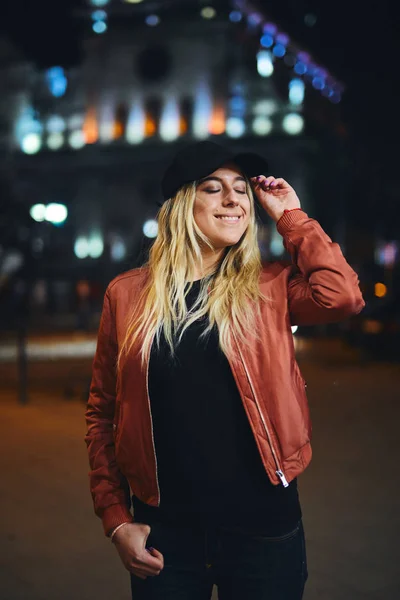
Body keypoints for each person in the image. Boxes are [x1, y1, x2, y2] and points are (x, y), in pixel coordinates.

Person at [85, 140, 365, 599]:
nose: (234, 199)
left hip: (263, 531)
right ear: (180, 205)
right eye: (213, 188)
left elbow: (342, 296)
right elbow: (103, 413)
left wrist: (291, 216)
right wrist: (117, 520)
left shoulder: (270, 286)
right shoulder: (127, 295)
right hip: (165, 537)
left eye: (240, 189)